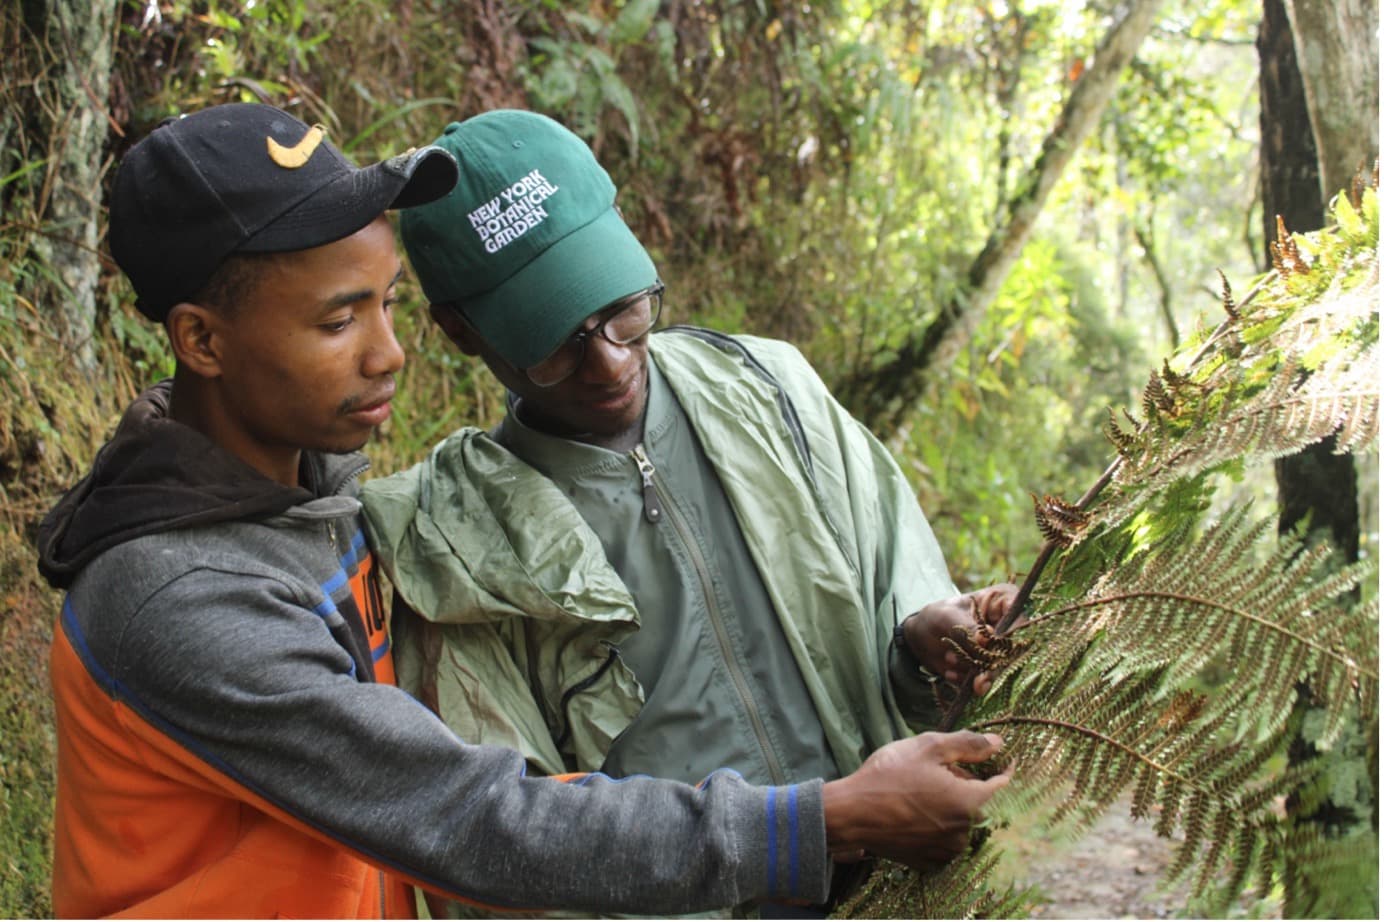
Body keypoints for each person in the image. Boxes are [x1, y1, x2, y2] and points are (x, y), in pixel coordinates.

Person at [35, 102, 1010, 920]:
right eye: (339, 320)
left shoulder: (307, 492)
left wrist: (912, 639)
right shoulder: (184, 598)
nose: (388, 355)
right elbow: (470, 814)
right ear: (202, 341)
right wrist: (821, 821)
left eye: (386, 305)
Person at [361, 109, 1019, 916]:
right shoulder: (460, 547)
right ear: (461, 332)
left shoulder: (770, 390)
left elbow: (895, 587)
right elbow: (510, 844)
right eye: (554, 340)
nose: (608, 360)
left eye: (624, 310)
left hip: (898, 889)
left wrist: (925, 637)